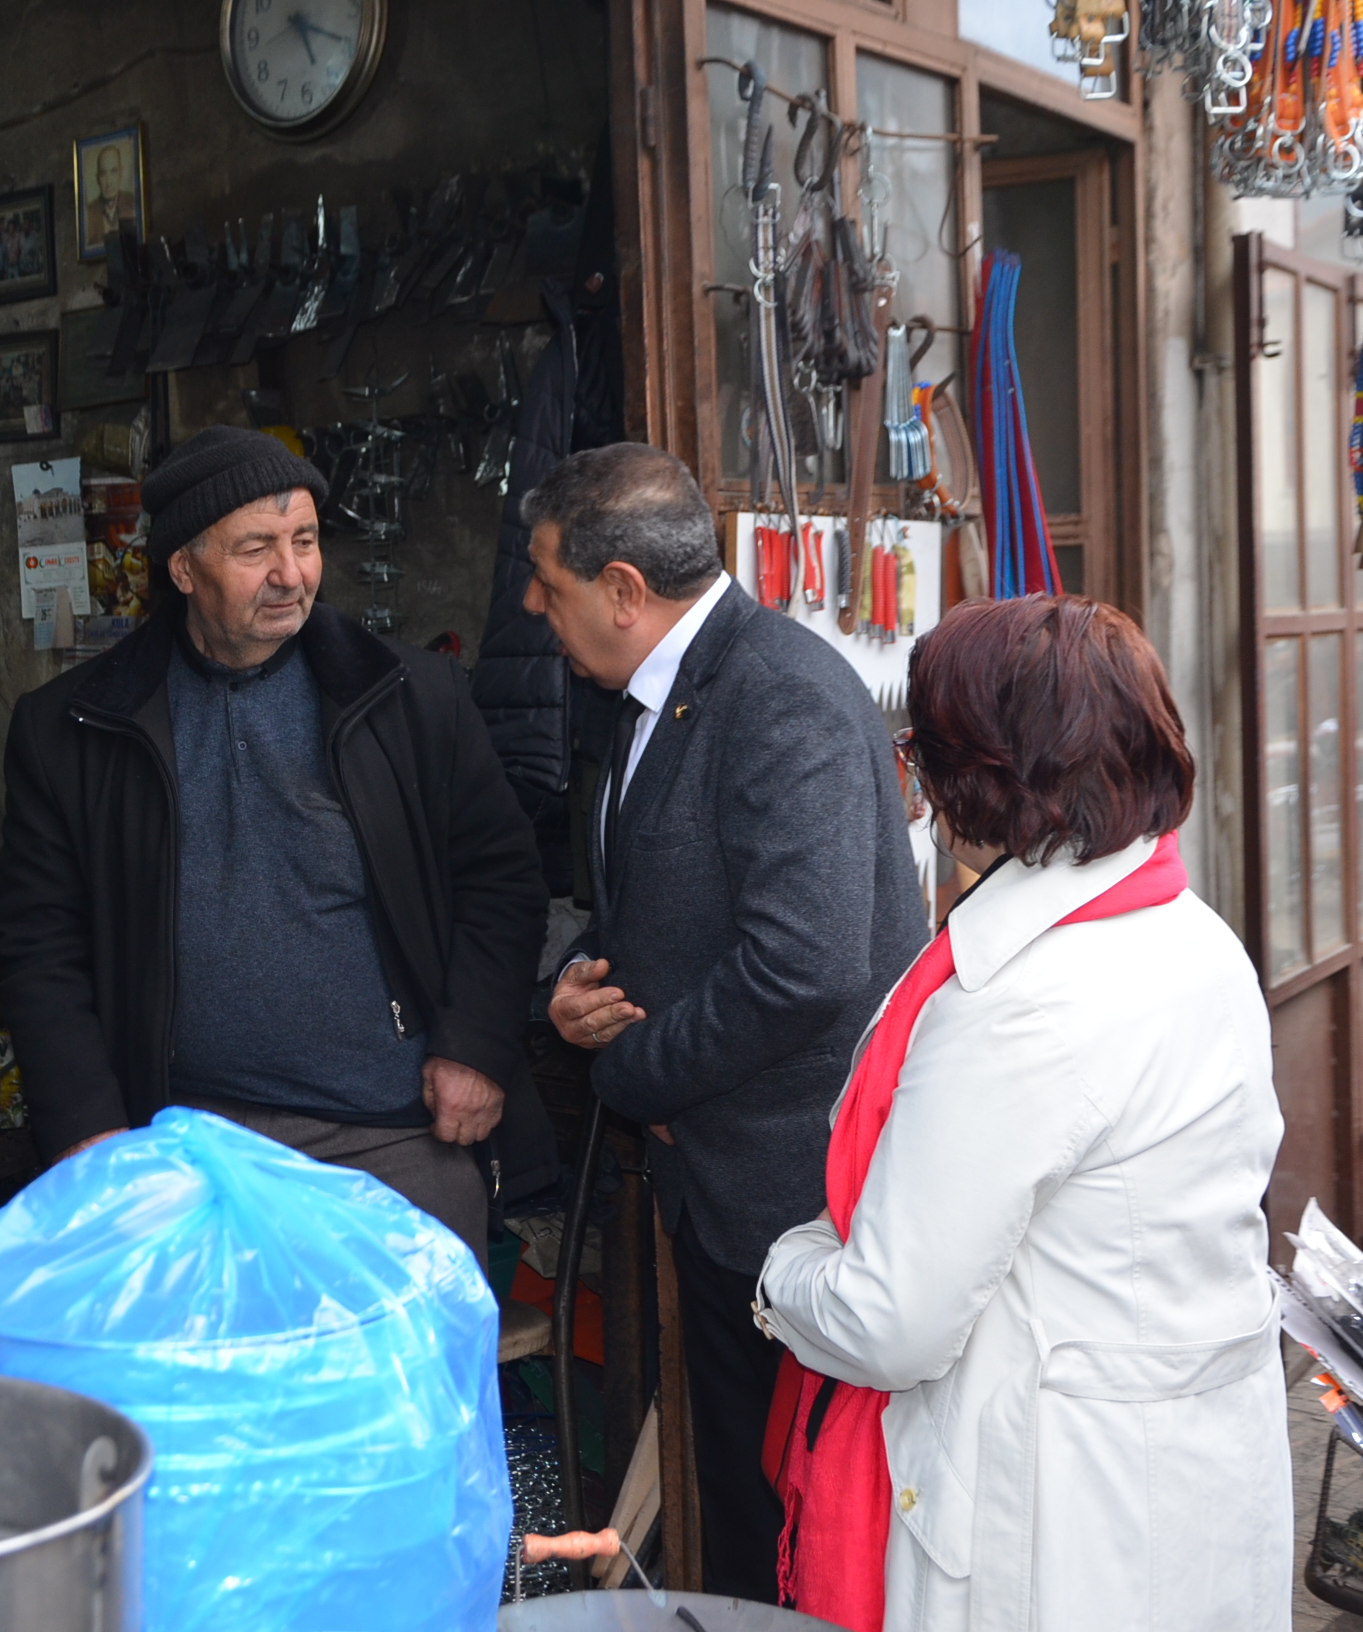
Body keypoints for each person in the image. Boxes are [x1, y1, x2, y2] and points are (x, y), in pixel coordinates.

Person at [754, 595, 1289, 1632]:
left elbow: (890, 1320)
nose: (916, 785)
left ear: (980, 778)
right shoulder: (1188, 932)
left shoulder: (1022, 1001)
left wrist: (785, 1268)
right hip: (1182, 1470)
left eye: (922, 754)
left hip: (1060, 1513)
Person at [521, 442, 927, 1601]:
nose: (533, 611)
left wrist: (630, 1071)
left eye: (547, 584)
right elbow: (657, 904)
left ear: (621, 590)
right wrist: (579, 983)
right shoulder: (653, 695)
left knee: (798, 1529)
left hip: (792, 1199)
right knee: (751, 1510)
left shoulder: (779, 694)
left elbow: (802, 966)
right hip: (722, 1194)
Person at [0, 425, 554, 1260]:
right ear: (184, 569)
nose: (291, 574)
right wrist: (87, 1127)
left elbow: (502, 881)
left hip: (391, 1134)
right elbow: (41, 945)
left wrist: (474, 1047)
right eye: (256, 549)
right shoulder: (73, 729)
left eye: (305, 541)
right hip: (181, 1142)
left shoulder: (412, 697)